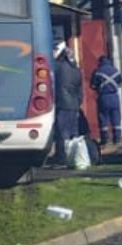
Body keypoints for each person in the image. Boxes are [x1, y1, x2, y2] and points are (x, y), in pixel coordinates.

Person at [51, 39, 84, 167]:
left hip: (62, 103)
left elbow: (55, 85)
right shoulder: (75, 68)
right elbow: (79, 87)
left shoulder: (58, 67)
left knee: (62, 133)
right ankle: (74, 157)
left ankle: (62, 159)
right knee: (73, 133)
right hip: (74, 104)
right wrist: (78, 101)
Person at [91, 55, 122, 146]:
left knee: (103, 118)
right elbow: (120, 83)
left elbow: (93, 86)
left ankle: (105, 139)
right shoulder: (115, 71)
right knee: (116, 117)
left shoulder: (97, 72)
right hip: (114, 97)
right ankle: (117, 139)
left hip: (103, 97)